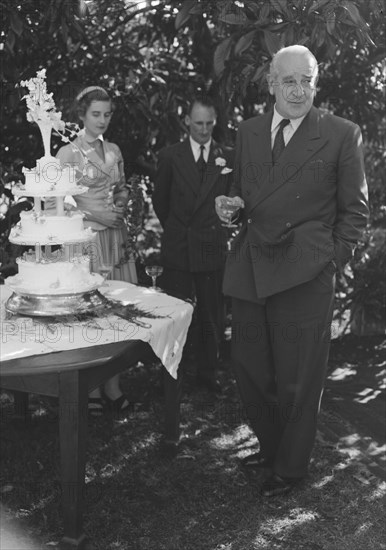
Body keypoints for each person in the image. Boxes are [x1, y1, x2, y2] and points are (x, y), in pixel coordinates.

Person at [215, 45, 369, 496]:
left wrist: (330, 262)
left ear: (316, 82)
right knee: (250, 367)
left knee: (299, 377)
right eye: (289, 81)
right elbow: (244, 193)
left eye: (307, 80)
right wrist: (230, 208)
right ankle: (271, 444)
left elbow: (355, 212)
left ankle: (290, 467)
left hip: (306, 272)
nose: (299, 90)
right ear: (271, 85)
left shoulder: (342, 133)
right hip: (251, 266)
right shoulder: (248, 132)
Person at [53, 86, 137, 414]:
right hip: (86, 241)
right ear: (82, 115)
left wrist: (121, 202)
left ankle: (113, 387)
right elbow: (58, 202)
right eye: (95, 114)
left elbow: (121, 185)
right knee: (90, 313)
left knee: (117, 310)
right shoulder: (68, 153)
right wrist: (96, 214)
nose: (102, 120)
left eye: (107, 114)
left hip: (116, 237)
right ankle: (87, 388)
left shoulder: (113, 149)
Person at [152, 94, 234, 394]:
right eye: (198, 123)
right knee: (175, 314)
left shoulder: (227, 157)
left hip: (211, 245)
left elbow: (232, 203)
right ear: (186, 120)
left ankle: (208, 374)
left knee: (211, 313)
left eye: (209, 123)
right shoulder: (170, 156)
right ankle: (172, 374)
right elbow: (161, 202)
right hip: (180, 246)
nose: (203, 129)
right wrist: (178, 230)